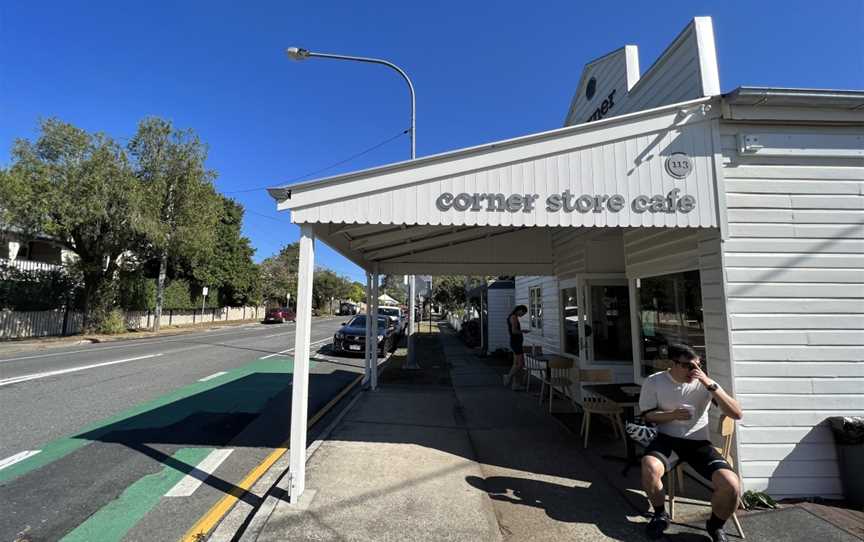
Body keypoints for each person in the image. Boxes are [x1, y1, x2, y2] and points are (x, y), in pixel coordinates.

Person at [639, 343, 744, 542]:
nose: (694, 371)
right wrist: (672, 415)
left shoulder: (704, 383)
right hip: (667, 441)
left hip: (698, 444)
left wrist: (710, 385)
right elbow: (647, 417)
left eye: (698, 365)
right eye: (688, 366)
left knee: (731, 485)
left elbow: (736, 413)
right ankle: (660, 514)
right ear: (673, 364)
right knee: (649, 467)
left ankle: (715, 525)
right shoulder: (655, 382)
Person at [503, 305, 529, 389]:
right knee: (521, 364)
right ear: (519, 310)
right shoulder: (513, 317)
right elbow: (514, 331)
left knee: (516, 364)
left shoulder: (513, 317)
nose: (523, 315)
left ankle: (515, 384)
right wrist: (523, 331)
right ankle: (508, 376)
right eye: (523, 313)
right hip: (516, 343)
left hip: (515, 343)